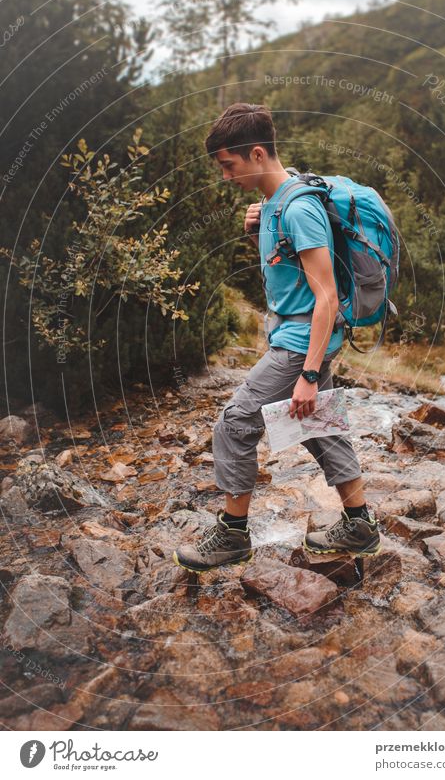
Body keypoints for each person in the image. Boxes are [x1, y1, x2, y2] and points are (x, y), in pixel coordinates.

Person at [173, 103, 381, 573]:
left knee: (235, 423)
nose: (225, 176)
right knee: (317, 425)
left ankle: (232, 535)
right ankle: (359, 523)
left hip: (301, 344)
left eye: (229, 165)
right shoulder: (271, 206)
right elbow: (288, 274)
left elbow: (325, 296)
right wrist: (256, 236)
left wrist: (308, 373)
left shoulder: (300, 207)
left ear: (258, 153)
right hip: (299, 340)